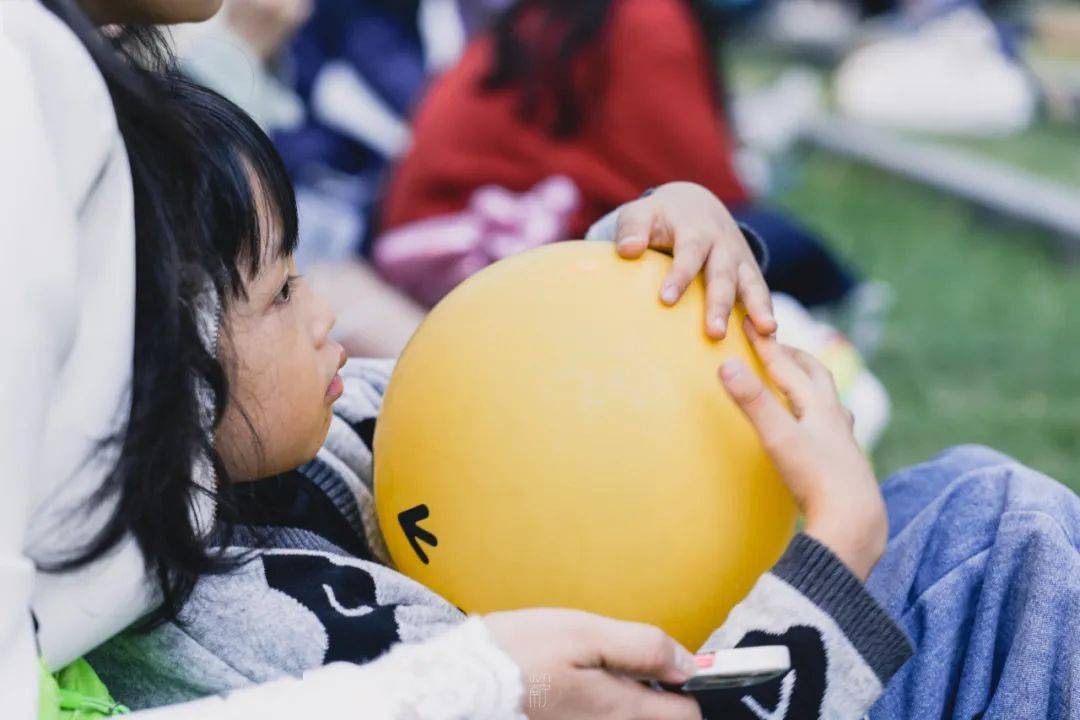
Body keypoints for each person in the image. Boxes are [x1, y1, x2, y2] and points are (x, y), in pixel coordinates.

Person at [85, 78, 913, 718]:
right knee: (1007, 532)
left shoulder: (296, 439)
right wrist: (842, 544)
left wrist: (661, 244)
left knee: (988, 507)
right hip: (766, 649)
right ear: (166, 377)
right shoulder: (272, 631)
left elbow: (522, 386)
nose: (323, 312)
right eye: (281, 292)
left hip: (728, 605)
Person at [378, 0, 860, 310]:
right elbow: (715, 191)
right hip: (480, 257)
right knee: (772, 241)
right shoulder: (647, 16)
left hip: (418, 243)